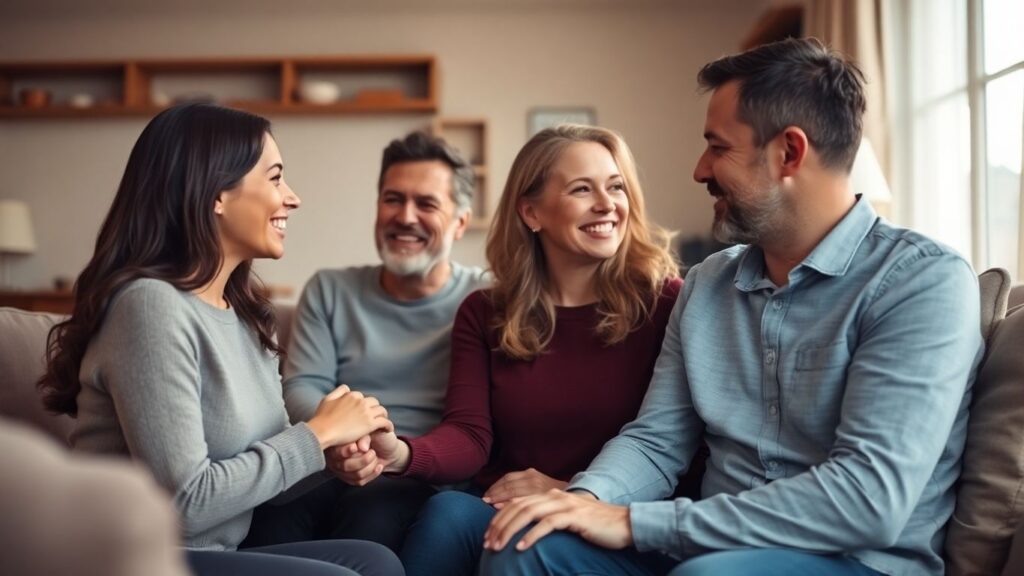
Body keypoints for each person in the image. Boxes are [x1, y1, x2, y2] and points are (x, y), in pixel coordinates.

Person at [481, 38, 984, 576]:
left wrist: (636, 522)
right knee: (525, 545)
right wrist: (582, 501)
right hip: (703, 548)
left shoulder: (921, 283)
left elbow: (867, 500)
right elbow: (656, 442)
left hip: (853, 563)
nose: (699, 170)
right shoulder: (707, 284)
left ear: (789, 152)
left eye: (717, 147)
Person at [37, 103, 403, 576]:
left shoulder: (249, 317)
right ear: (216, 194)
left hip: (209, 558)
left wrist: (329, 457)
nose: (293, 198)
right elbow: (185, 504)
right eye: (275, 178)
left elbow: (253, 478)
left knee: (376, 563)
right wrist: (316, 435)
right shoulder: (150, 306)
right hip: (129, 558)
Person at [333, 124, 682, 576]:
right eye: (582, 189)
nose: (607, 204)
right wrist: (397, 453)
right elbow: (469, 435)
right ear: (531, 212)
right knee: (449, 513)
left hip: (617, 515)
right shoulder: (486, 311)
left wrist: (571, 490)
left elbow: (679, 448)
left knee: (513, 542)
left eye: (616, 187)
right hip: (509, 504)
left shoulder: (669, 302)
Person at [270, 131, 489, 552]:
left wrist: (386, 452)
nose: (405, 216)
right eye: (393, 199)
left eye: (426, 203)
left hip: (418, 471)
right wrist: (351, 440)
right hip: (331, 458)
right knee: (273, 515)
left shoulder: (484, 299)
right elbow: (300, 385)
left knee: (372, 513)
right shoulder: (330, 289)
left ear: (460, 222)